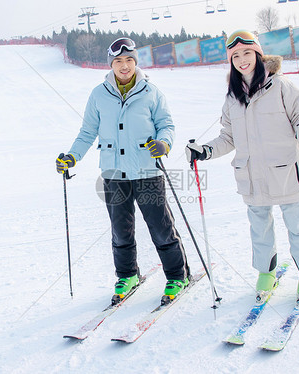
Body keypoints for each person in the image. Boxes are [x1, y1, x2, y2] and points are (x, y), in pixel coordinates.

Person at [185, 30, 299, 304]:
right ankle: (266, 273)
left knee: (298, 225)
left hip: (286, 172)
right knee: (259, 228)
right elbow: (229, 137)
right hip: (251, 176)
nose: (242, 60)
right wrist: (206, 150)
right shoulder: (233, 97)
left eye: (247, 53)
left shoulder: (282, 87)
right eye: (235, 56)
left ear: (258, 55)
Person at [56, 37, 190, 305]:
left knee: (161, 227)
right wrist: (72, 156)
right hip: (113, 174)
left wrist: (163, 144)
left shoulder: (151, 92)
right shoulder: (99, 94)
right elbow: (87, 132)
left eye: (129, 60)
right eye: (118, 61)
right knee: (121, 230)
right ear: (111, 64)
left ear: (135, 62)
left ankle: (177, 274)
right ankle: (127, 274)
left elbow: (167, 125)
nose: (124, 66)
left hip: (147, 172)